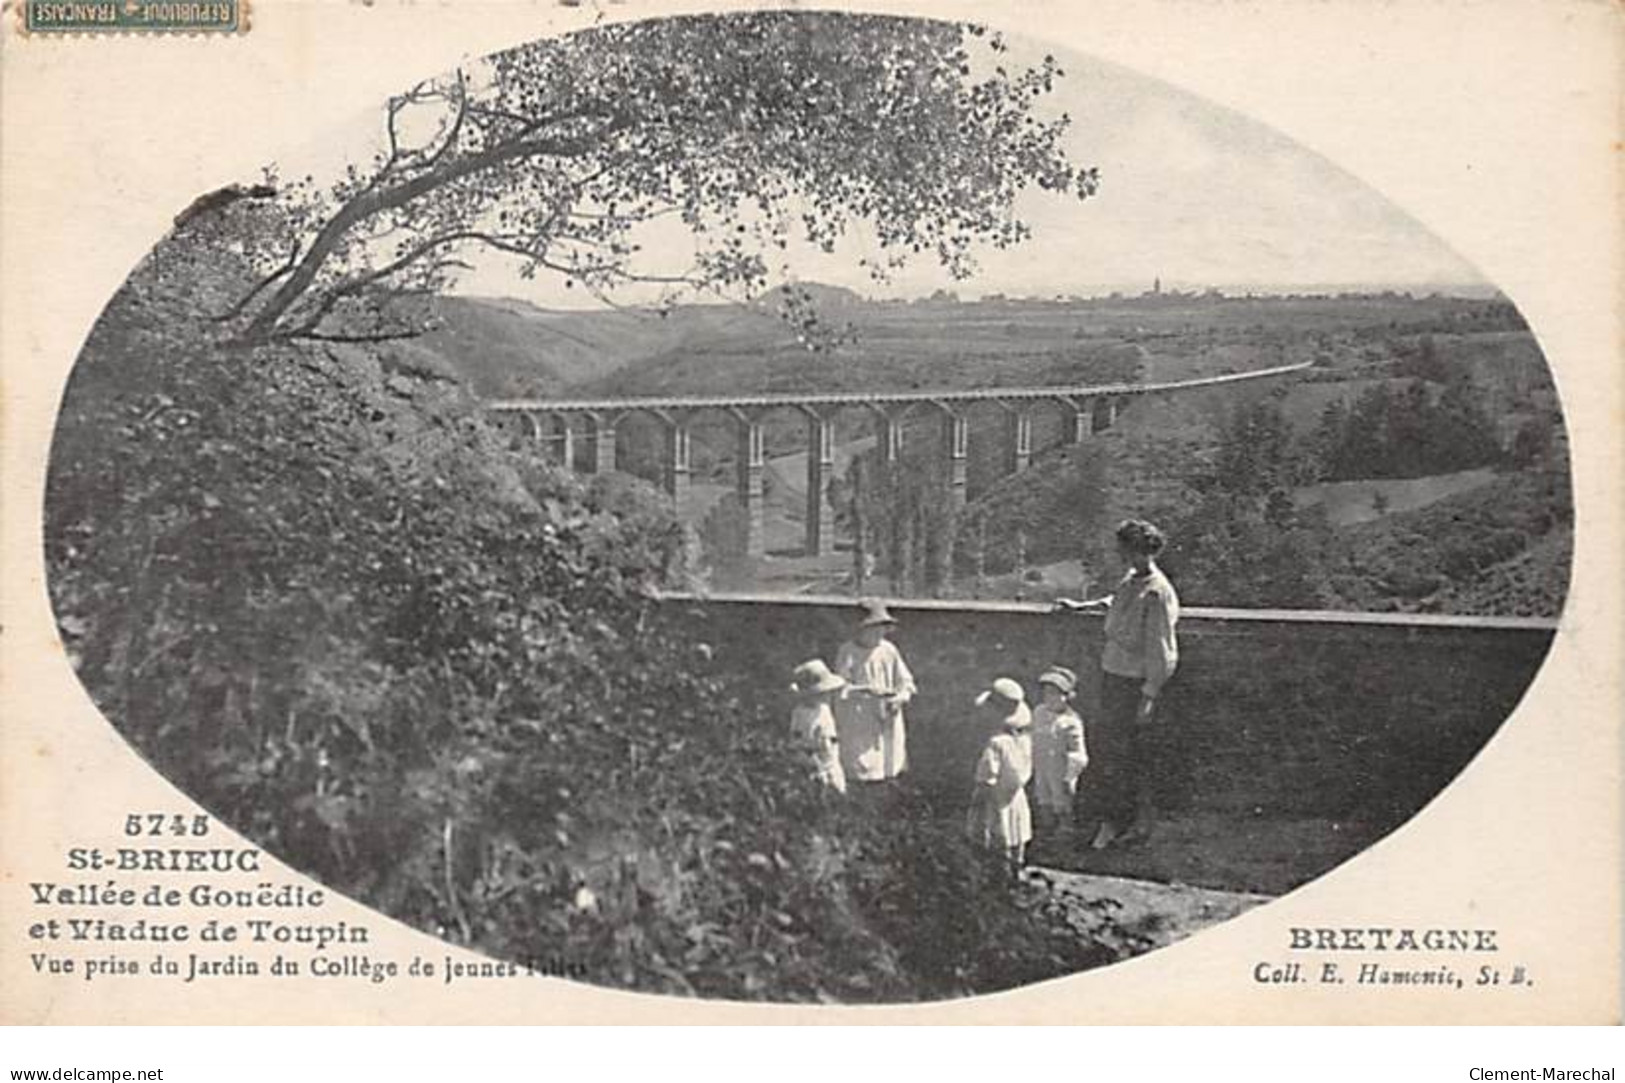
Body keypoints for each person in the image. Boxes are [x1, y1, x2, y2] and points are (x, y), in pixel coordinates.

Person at [1055, 518, 1181, 850]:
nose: (1121, 554)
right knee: (1106, 752)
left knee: (1122, 757)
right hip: (1114, 677)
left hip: (1134, 684)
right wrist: (1081, 606)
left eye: (1125, 549)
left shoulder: (1158, 592)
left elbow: (1162, 648)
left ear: (1139, 551)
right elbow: (1117, 603)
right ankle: (1103, 822)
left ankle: (1118, 825)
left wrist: (1149, 694)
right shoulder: (1132, 580)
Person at [833, 598, 917, 784]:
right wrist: (865, 690)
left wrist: (900, 697)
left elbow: (906, 682)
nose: (879, 633)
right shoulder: (848, 652)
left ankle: (886, 795)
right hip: (859, 718)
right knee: (862, 765)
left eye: (882, 628)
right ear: (861, 629)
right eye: (873, 628)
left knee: (889, 763)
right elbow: (840, 687)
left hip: (887, 715)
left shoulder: (889, 651)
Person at [966, 677, 1034, 872]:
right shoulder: (1025, 740)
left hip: (995, 797)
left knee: (998, 834)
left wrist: (978, 800)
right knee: (1016, 833)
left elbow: (987, 777)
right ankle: (1017, 869)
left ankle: (1000, 873)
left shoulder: (996, 744)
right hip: (1015, 795)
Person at [1029, 666, 1088, 845]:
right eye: (1047, 693)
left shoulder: (1071, 722)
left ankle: (1065, 833)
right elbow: (1030, 734)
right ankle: (1047, 832)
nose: (1050, 698)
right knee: (1043, 796)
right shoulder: (1039, 713)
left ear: (1068, 697)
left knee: (1061, 800)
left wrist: (1070, 776)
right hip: (1041, 763)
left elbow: (1078, 753)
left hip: (1060, 768)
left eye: (1056, 694)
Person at [789, 659, 847, 794]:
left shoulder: (824, 709)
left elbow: (830, 737)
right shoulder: (801, 715)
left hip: (832, 763)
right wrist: (816, 766)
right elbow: (800, 744)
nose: (826, 695)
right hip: (817, 768)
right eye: (820, 693)